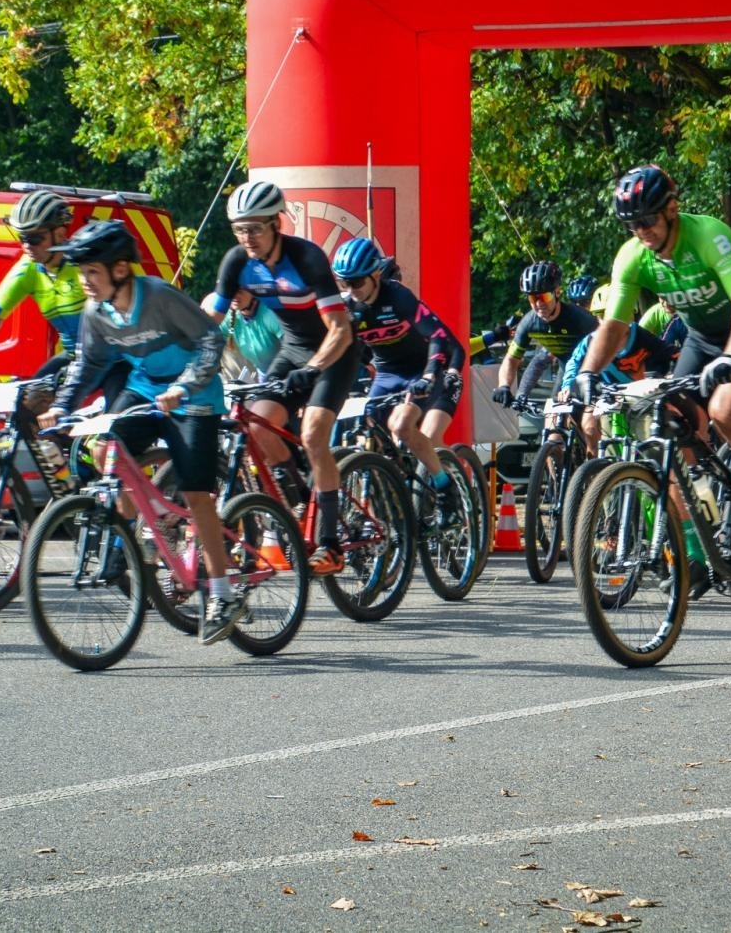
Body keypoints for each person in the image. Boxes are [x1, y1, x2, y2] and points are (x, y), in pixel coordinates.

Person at [576, 164, 731, 593]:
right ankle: (696, 552)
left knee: (725, 409)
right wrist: (587, 372)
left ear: (672, 209)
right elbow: (615, 327)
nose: (641, 231)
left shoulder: (708, 234)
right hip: (702, 339)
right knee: (667, 427)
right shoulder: (634, 255)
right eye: (631, 224)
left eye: (647, 220)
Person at [37, 220, 239, 643]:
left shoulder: (160, 297)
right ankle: (152, 525)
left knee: (198, 493)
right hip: (145, 388)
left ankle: (223, 594)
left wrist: (184, 385)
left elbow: (210, 340)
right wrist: (60, 406)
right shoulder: (97, 312)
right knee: (104, 449)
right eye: (82, 273)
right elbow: (89, 365)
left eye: (92, 272)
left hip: (194, 394)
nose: (85, 282)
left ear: (120, 270)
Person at [201, 179, 357, 576]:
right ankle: (303, 494)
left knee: (313, 433)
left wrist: (313, 370)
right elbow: (209, 326)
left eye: (254, 227)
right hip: (293, 348)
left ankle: (330, 545)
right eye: (239, 228)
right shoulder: (237, 262)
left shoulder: (306, 258)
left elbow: (340, 329)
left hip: (333, 351)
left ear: (276, 224)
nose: (247, 237)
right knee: (258, 424)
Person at [331, 237, 467, 524]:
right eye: (344, 284)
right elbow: (342, 351)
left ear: (376, 275)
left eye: (356, 283)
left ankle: (444, 488)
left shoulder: (398, 297)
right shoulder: (348, 308)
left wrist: (431, 374)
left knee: (401, 424)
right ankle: (388, 492)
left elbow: (439, 337)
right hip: (386, 374)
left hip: (418, 371)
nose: (351, 291)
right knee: (367, 431)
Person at [0, 190, 87, 386]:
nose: (27, 246)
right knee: (27, 401)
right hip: (74, 355)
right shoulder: (28, 269)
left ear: (59, 234)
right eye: (22, 238)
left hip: (113, 359)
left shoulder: (82, 265)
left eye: (35, 238)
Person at [559, 283, 683, 454]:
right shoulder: (590, 342)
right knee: (588, 427)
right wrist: (567, 386)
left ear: (630, 314)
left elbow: (669, 354)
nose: (607, 322)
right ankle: (596, 472)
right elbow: (574, 363)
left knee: (651, 443)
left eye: (612, 315)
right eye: (600, 315)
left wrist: (674, 372)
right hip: (605, 397)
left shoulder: (641, 337)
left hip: (639, 401)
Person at [492, 262, 598, 411]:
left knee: (588, 427)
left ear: (557, 292)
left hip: (593, 370)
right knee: (553, 424)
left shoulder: (580, 318)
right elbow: (512, 359)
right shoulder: (528, 323)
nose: (539, 304)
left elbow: (608, 347)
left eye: (544, 297)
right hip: (565, 370)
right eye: (533, 299)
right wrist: (505, 386)